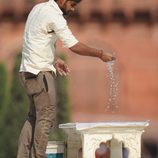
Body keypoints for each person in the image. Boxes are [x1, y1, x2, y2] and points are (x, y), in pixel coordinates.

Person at [17, 0, 115, 157]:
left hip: (27, 72)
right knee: (46, 118)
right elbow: (73, 45)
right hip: (40, 74)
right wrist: (101, 54)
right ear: (62, 0)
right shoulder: (54, 15)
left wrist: (54, 59)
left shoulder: (38, 9)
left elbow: (34, 40)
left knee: (33, 117)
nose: (73, 9)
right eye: (72, 4)